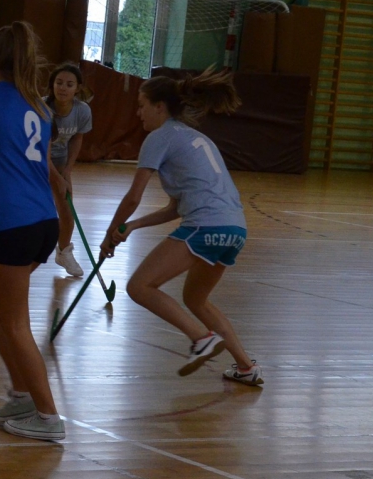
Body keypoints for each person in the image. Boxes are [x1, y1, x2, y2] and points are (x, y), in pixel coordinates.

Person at [99, 71, 262, 386]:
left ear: (160, 107)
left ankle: (202, 339)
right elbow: (175, 208)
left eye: (142, 105)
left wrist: (110, 233)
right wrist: (131, 226)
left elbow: (133, 196)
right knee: (196, 299)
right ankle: (246, 367)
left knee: (140, 287)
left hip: (205, 225)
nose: (138, 113)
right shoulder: (193, 137)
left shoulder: (159, 137)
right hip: (235, 229)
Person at [0, 21, 65, 443]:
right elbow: (35, 170)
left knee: (15, 323)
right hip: (43, 222)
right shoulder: (40, 107)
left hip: (13, 221)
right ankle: (22, 395)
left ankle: (48, 416)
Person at [47, 61, 93, 278]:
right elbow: (41, 151)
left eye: (69, 84)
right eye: (59, 83)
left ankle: (64, 253)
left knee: (67, 212)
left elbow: (77, 138)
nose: (63, 88)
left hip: (60, 162)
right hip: (34, 162)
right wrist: (58, 178)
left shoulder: (82, 111)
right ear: (52, 85)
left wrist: (67, 170)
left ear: (78, 88)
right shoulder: (42, 109)